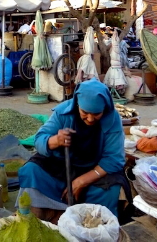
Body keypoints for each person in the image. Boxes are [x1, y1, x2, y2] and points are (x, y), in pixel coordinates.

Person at [18, 79, 129, 224]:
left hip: (95, 169)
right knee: (31, 170)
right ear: (77, 104)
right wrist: (55, 140)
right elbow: (39, 140)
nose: (90, 119)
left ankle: (91, 224)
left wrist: (81, 181)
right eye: (85, 112)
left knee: (110, 190)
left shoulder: (112, 119)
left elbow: (114, 159)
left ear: (105, 108)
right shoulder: (63, 113)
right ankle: (51, 213)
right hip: (62, 165)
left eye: (96, 114)